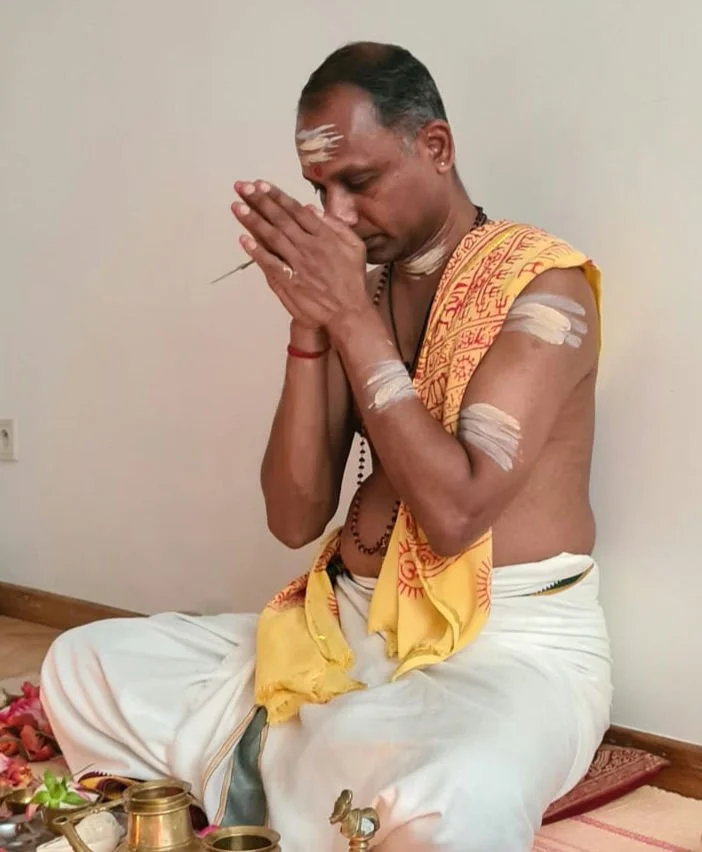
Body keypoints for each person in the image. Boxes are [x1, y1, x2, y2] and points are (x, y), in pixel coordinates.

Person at [40, 42, 612, 851]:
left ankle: (285, 769)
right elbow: (295, 514)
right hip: (337, 627)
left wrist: (348, 318)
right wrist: (309, 326)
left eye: (359, 182)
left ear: (436, 148)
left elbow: (453, 515)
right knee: (84, 662)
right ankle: (308, 769)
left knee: (455, 790)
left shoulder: (544, 290)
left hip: (500, 652)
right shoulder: (363, 291)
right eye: (319, 191)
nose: (335, 216)